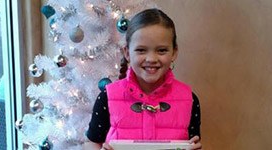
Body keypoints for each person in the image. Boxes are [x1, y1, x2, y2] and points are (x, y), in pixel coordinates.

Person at [83, 8, 202, 150]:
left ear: (174, 52)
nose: (151, 59)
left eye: (162, 50)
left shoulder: (189, 99)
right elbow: (91, 142)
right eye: (141, 50)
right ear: (127, 53)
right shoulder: (107, 97)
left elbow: (193, 142)